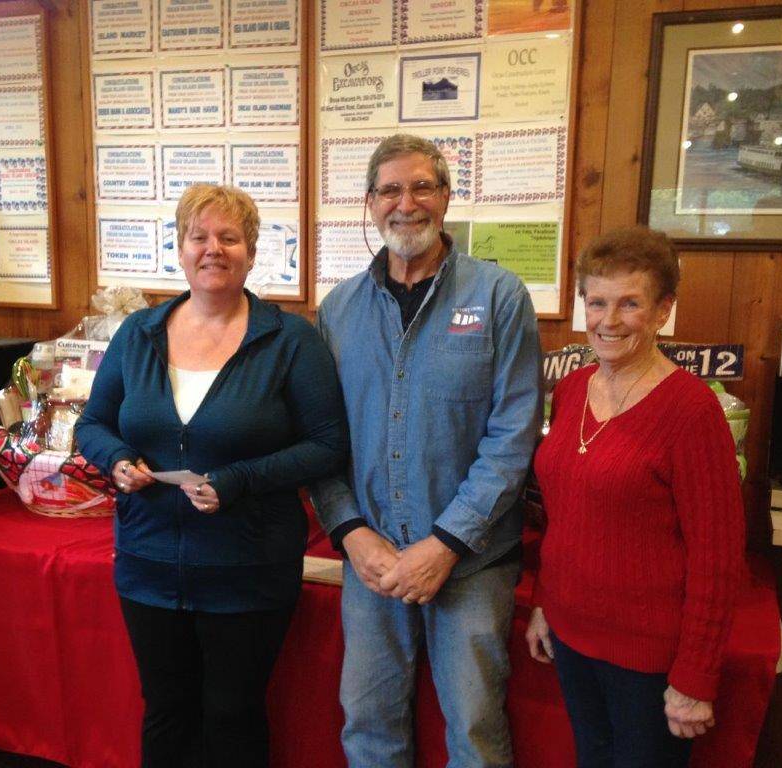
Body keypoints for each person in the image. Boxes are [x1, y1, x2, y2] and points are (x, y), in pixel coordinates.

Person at [75, 184, 348, 768]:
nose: (213, 249)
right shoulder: (139, 333)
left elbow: (327, 445)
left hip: (246, 569)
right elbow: (92, 424)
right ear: (180, 248)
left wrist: (238, 480)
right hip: (148, 564)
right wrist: (118, 460)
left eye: (229, 237)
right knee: (167, 710)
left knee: (233, 714)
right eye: (199, 236)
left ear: (251, 251)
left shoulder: (290, 340)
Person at [312, 134, 542, 768]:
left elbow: (513, 435)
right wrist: (353, 532)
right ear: (369, 203)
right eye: (389, 189)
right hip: (373, 561)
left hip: (471, 564)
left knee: (474, 731)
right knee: (368, 723)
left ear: (445, 196)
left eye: (421, 187)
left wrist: (445, 544)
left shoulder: (498, 296)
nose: (405, 203)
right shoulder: (338, 311)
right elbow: (323, 441)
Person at [526, 225, 745, 767]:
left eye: (631, 303)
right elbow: (566, 515)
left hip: (647, 658)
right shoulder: (573, 387)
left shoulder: (692, 412)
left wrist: (695, 676)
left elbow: (717, 558)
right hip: (572, 638)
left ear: (663, 308)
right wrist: (542, 605)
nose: (609, 320)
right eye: (597, 302)